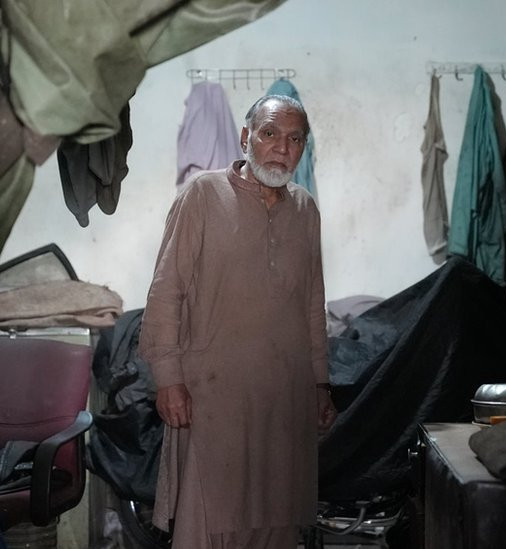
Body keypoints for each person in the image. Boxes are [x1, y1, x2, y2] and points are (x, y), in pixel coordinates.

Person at [139, 95, 337, 549]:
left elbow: (312, 303)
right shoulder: (202, 195)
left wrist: (320, 384)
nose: (281, 149)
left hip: (283, 403)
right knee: (209, 522)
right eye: (269, 134)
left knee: (277, 519)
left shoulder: (305, 210)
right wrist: (168, 378)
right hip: (210, 399)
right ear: (247, 137)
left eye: (294, 139)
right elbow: (166, 289)